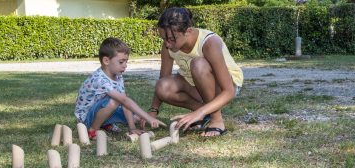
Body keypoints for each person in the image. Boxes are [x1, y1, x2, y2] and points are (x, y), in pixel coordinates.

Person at [143, 7, 243, 137]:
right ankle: (204, 113)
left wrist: (199, 112)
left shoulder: (209, 42)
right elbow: (163, 79)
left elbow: (228, 91)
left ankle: (216, 120)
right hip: (196, 87)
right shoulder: (169, 45)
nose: (167, 44)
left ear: (188, 31)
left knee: (198, 64)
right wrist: (153, 111)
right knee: (163, 86)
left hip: (227, 86)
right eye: (164, 39)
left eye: (172, 39)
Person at [75, 37, 165, 139]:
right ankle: (92, 131)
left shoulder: (118, 76)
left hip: (101, 110)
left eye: (126, 62)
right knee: (114, 101)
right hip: (86, 119)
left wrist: (132, 128)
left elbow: (124, 101)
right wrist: (148, 117)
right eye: (121, 62)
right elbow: (124, 100)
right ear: (106, 60)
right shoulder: (100, 79)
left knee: (135, 117)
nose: (125, 66)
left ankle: (105, 124)